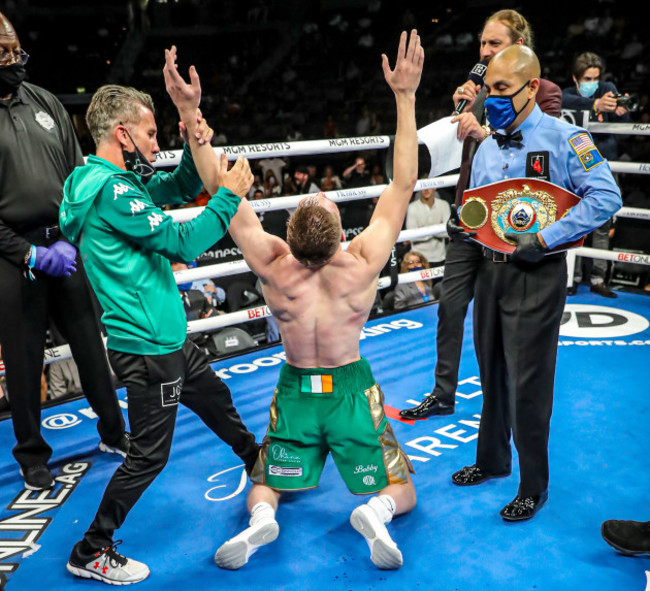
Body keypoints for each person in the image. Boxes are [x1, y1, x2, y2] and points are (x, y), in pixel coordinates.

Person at [214, 29, 423, 571]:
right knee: (403, 491)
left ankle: (263, 523)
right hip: (351, 388)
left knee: (265, 484)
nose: (322, 196)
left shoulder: (273, 265)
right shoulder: (361, 261)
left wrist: (192, 120)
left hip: (296, 388)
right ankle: (376, 514)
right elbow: (402, 183)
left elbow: (226, 198)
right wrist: (404, 96)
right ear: (337, 230)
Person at [60, 46, 259, 585]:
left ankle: (256, 460)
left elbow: (178, 185)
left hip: (166, 337)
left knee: (216, 400)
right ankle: (91, 548)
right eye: (149, 134)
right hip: (147, 348)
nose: (156, 143)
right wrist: (231, 197)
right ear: (121, 134)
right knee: (148, 456)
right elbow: (181, 239)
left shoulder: (116, 182)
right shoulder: (108, 191)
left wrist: (191, 117)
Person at [450, 45, 621, 521]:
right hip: (490, 271)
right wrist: (468, 222)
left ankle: (533, 485)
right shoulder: (485, 145)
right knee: (491, 373)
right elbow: (486, 210)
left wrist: (545, 238)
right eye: (489, 91)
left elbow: (607, 197)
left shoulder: (569, 137)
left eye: (502, 90)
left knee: (529, 382)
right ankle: (492, 461)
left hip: (537, 273)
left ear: (531, 88)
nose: (493, 99)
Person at [401, 8, 563, 421]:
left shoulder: (543, 92)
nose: (485, 51)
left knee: (501, 320)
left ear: (519, 46)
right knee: (449, 307)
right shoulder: (479, 90)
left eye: (495, 43)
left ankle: (507, 399)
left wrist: (485, 131)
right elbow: (460, 145)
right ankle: (442, 393)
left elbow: (544, 156)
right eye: (482, 43)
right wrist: (466, 109)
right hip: (468, 214)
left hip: (511, 226)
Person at [0, 11, 128, 491]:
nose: (14, 62)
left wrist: (72, 237)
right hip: (14, 254)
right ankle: (33, 456)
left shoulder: (46, 102)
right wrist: (29, 255)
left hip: (64, 241)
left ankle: (114, 431)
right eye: (3, 54)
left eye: (17, 52)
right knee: (25, 359)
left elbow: (78, 177)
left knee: (92, 348)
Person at [562, 51, 629, 298]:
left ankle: (598, 278)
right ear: (576, 78)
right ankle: (572, 276)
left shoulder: (607, 89)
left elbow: (622, 129)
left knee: (603, 224)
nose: (593, 83)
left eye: (596, 77)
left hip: (605, 166)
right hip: (577, 169)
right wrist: (594, 104)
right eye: (587, 78)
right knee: (575, 222)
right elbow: (561, 100)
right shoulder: (568, 95)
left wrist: (621, 110)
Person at [405, 187, 450, 266]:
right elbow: (411, 236)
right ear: (419, 189)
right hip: (419, 258)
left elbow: (448, 232)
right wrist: (438, 229)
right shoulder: (412, 207)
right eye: (423, 187)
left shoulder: (444, 205)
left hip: (440, 257)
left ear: (435, 188)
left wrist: (422, 230)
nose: (426, 190)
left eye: (429, 187)